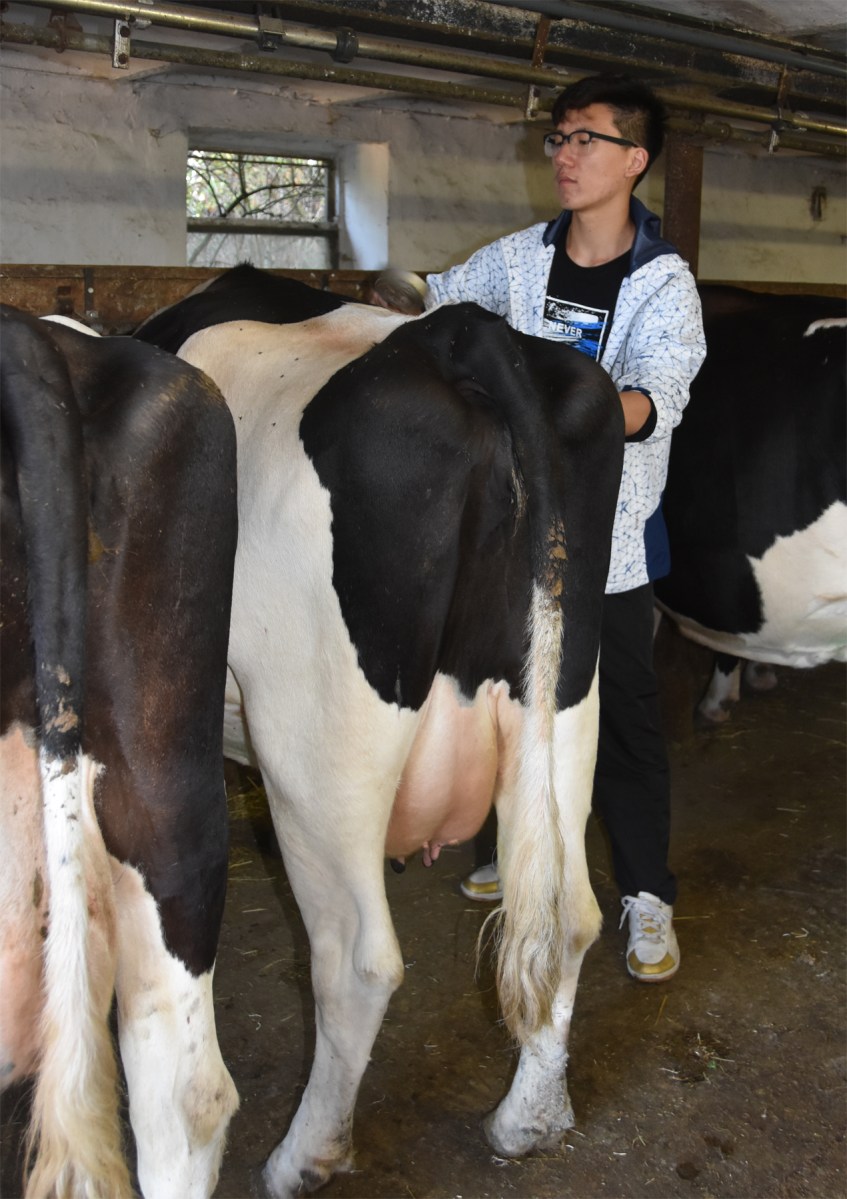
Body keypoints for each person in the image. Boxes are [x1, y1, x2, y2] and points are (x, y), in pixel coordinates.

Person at [424, 73, 706, 982]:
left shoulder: (662, 284)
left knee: (619, 723)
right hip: (509, 538)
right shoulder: (516, 261)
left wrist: (549, 409)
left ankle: (647, 892)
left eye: (587, 138)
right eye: (558, 137)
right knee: (511, 706)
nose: (565, 154)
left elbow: (653, 397)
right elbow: (436, 304)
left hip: (607, 547)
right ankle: (515, 851)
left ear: (634, 159)